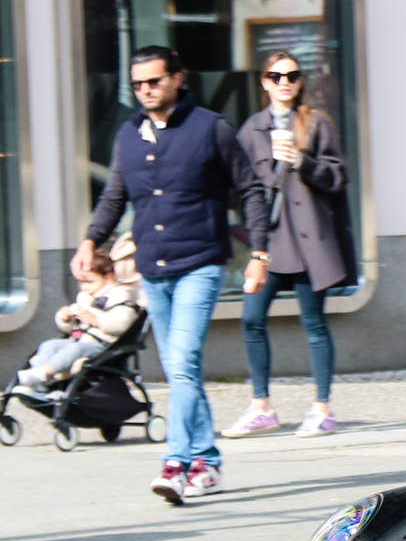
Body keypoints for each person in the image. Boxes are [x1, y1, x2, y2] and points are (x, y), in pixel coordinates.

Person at [78, 44, 270, 506]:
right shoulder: (129, 134)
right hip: (153, 269)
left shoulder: (211, 128)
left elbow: (251, 188)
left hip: (200, 264)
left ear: (177, 78)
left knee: (181, 362)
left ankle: (177, 463)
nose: (145, 90)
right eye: (138, 83)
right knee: (181, 370)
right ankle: (208, 461)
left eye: (154, 81)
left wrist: (260, 252)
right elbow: (114, 196)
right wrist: (90, 239)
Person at [226, 54, 358, 438]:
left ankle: (322, 408)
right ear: (264, 82)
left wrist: (303, 161)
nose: (284, 81)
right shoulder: (252, 129)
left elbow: (338, 176)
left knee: (314, 324)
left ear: (300, 82)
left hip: (306, 241)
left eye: (292, 75)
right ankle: (261, 406)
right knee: (251, 318)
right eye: (276, 76)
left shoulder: (315, 123)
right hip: (269, 243)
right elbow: (242, 186)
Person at [14, 250, 140, 393]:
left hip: (103, 345)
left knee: (75, 349)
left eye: (90, 282)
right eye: (82, 282)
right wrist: (65, 319)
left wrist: (96, 321)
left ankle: (45, 373)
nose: (85, 287)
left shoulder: (118, 297)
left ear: (109, 277)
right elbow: (72, 328)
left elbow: (124, 322)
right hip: (81, 340)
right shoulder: (85, 297)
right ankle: (38, 379)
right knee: (49, 345)